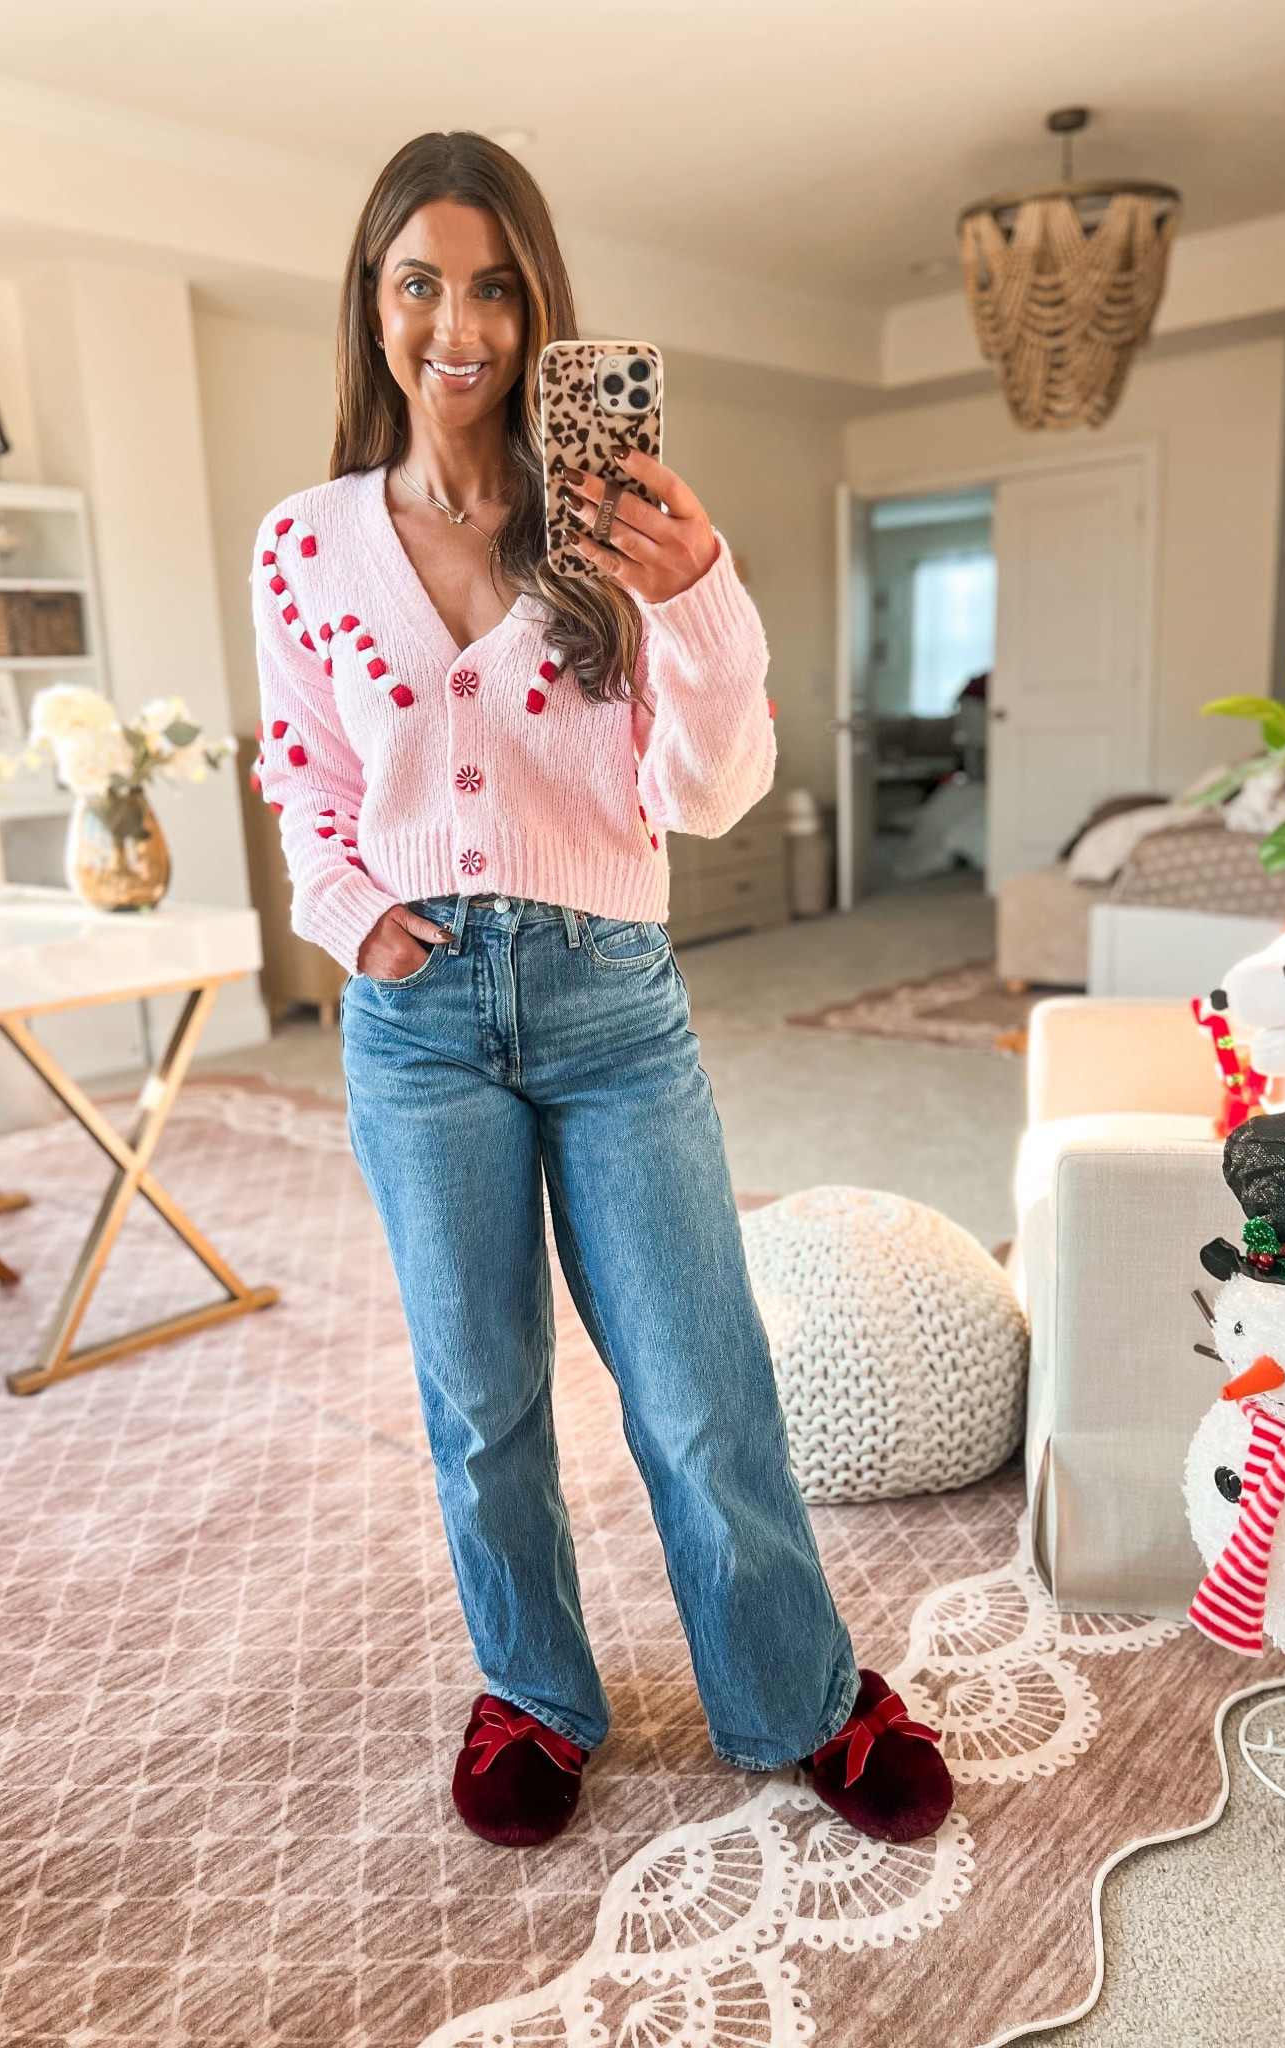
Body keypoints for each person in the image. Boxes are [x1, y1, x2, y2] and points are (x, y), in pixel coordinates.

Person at [252, 130, 954, 1852]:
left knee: (702, 1384)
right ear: (376, 302)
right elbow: (304, 775)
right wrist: (354, 914)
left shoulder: (614, 527)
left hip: (609, 998)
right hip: (420, 1020)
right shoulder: (306, 543)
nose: (460, 322)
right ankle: (534, 1693)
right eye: (422, 281)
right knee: (481, 1397)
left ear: (539, 308)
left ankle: (795, 1692)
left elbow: (709, 791)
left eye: (494, 284)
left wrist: (696, 593)